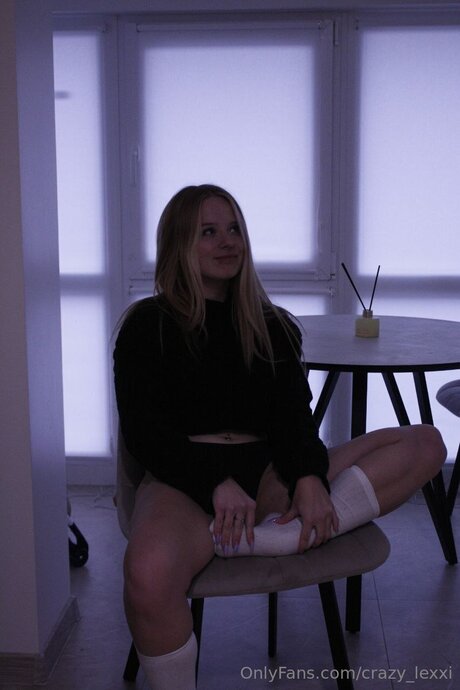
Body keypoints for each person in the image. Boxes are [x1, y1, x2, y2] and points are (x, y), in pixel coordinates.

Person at [113, 184, 446, 690]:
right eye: (209, 232)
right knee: (146, 575)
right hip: (185, 481)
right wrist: (215, 483)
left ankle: (274, 537)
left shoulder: (273, 325)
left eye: (234, 229)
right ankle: (272, 538)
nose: (228, 241)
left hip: (271, 476)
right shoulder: (146, 325)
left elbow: (293, 419)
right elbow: (145, 432)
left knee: (426, 443)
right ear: (179, 243)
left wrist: (308, 477)